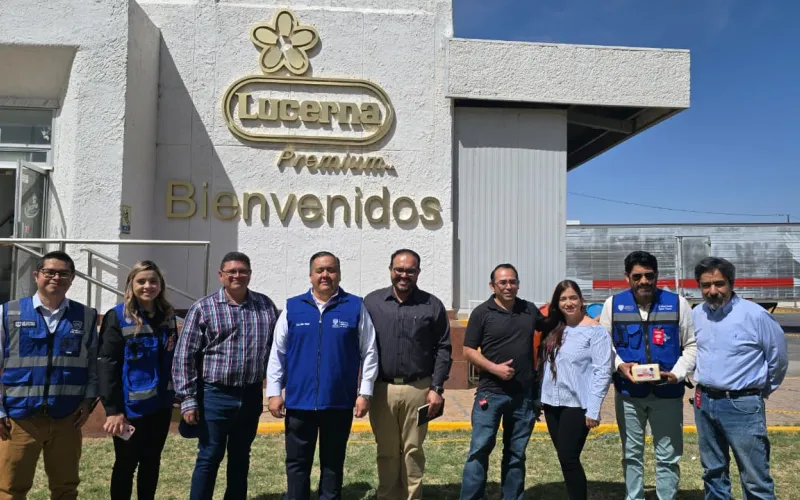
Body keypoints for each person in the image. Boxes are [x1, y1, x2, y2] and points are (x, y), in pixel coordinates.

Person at [267, 251, 379, 500]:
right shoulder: (293, 308)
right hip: (299, 402)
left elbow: (369, 351)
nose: (325, 275)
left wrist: (365, 392)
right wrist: (274, 392)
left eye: (331, 270)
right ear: (311, 275)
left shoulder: (355, 306)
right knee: (297, 463)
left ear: (339, 274)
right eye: (320, 270)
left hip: (338, 402)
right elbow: (278, 353)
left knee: (333, 463)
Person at [173, 251, 279, 500]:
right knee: (209, 455)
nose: (237, 276)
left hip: (251, 394)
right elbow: (184, 356)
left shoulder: (265, 306)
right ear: (221, 275)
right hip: (214, 395)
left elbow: (276, 350)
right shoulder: (203, 308)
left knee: (241, 456)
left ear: (250, 274)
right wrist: (188, 398)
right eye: (231, 271)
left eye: (242, 271)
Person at [0, 251, 98, 499]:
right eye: (49, 272)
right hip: (19, 418)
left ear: (72, 278)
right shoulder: (8, 313)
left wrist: (88, 401)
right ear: (36, 276)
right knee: (10, 489)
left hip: (66, 418)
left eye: (63, 273)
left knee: (66, 489)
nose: (56, 277)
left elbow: (92, 366)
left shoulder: (86, 317)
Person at [599, 250, 697, 500]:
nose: (644, 281)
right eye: (637, 276)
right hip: (629, 394)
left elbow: (691, 346)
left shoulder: (678, 304)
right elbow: (604, 346)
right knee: (631, 454)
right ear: (627, 277)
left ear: (657, 276)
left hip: (668, 393)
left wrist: (677, 374)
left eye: (649, 275)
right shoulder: (613, 305)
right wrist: (620, 366)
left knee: (668, 455)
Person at [692, 257, 788, 499]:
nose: (712, 291)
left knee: (755, 477)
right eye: (706, 285)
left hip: (742, 405)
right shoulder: (696, 314)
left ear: (731, 283)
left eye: (719, 284)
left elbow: (778, 359)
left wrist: (758, 392)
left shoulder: (755, 315)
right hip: (704, 402)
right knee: (713, 472)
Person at [364, 249, 452, 500]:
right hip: (382, 389)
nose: (404, 275)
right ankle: (388, 496)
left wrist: (436, 388)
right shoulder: (372, 303)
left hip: (419, 389)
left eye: (410, 271)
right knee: (386, 450)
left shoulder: (431, 305)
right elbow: (361, 345)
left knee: (413, 449)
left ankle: (413, 496)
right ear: (390, 270)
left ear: (418, 272)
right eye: (399, 269)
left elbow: (444, 348)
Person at [459, 263, 544, 500]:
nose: (508, 286)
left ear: (518, 284)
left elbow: (551, 327)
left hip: (523, 396)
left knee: (516, 454)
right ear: (492, 286)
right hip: (490, 394)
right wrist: (494, 368)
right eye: (503, 282)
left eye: (512, 282)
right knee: (479, 451)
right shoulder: (481, 313)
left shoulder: (528, 310)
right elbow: (468, 350)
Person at [98, 260, 179, 500]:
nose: (147, 286)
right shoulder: (118, 316)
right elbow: (107, 365)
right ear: (131, 284)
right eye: (141, 281)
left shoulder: (168, 316)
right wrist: (113, 410)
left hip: (160, 406)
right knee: (126, 465)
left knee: (152, 462)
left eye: (153, 281)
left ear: (160, 285)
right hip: (130, 409)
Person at [538, 280, 614, 500]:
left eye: (573, 297)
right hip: (552, 403)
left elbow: (602, 372)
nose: (568, 303)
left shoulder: (595, 331)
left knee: (568, 458)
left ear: (582, 300)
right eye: (563, 299)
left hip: (577, 404)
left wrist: (593, 409)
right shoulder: (555, 328)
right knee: (565, 459)